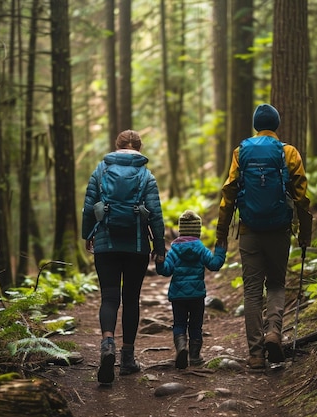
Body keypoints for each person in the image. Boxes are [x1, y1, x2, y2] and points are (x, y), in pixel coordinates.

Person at [215, 103, 312, 370]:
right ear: (277, 125)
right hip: (279, 230)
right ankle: (274, 333)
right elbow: (302, 196)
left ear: (257, 125)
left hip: (249, 231)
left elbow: (229, 193)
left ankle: (256, 354)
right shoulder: (288, 152)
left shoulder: (241, 151)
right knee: (277, 284)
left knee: (253, 291)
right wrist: (305, 233)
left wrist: (221, 234)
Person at [82, 129, 166, 384]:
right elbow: (155, 213)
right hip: (137, 244)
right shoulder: (145, 174)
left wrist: (88, 234)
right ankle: (127, 358)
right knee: (131, 299)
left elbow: (89, 205)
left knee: (109, 297)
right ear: (138, 148)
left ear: (116, 146)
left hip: (106, 242)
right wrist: (160, 245)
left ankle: (108, 343)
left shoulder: (101, 170)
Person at [156, 210, 226, 369]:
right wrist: (220, 251)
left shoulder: (174, 249)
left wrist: (160, 262)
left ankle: (181, 348)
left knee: (179, 323)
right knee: (195, 326)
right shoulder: (200, 248)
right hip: (197, 295)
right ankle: (194, 356)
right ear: (198, 231)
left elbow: (165, 271)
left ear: (181, 230)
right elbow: (214, 265)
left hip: (177, 295)